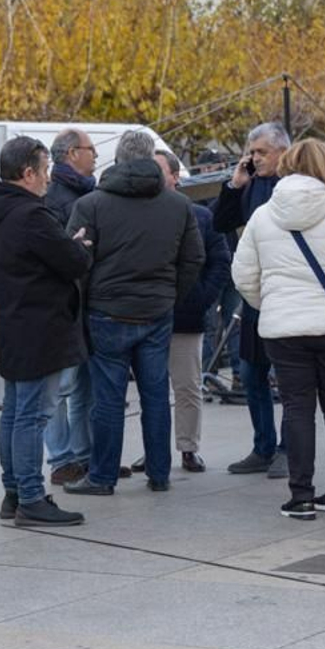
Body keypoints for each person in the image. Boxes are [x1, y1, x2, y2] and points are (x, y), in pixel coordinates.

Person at [232, 140, 325, 520]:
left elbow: (242, 274)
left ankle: (300, 494)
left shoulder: (263, 215)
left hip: (283, 329)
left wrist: (269, 304)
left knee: (296, 409)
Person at [64, 131, 203, 495]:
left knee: (108, 400)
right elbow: (194, 259)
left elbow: (74, 262)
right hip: (157, 313)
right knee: (156, 396)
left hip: (106, 313)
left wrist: (88, 298)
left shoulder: (91, 205)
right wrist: (171, 295)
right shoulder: (178, 205)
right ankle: (160, 474)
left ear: (119, 159)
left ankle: (102, 477)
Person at [0, 136, 92, 527]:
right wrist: (77, 245)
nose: (48, 179)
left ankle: (14, 493)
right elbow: (73, 262)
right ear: (28, 173)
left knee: (15, 413)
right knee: (31, 417)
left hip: (11, 326)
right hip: (39, 329)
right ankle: (30, 496)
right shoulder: (31, 216)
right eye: (45, 171)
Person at [213, 122, 291, 478]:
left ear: (282, 151)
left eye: (261, 152)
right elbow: (221, 223)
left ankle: (290, 449)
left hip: (288, 292)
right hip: (256, 294)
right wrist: (233, 186)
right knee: (251, 371)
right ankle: (263, 446)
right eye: (252, 152)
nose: (254, 158)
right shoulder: (252, 184)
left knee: (290, 377)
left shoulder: (295, 185)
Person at [157, 147, 230, 472]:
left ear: (175, 176)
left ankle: (188, 448)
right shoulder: (137, 214)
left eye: (160, 171)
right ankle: (154, 446)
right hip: (148, 317)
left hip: (186, 319)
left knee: (187, 387)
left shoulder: (200, 216)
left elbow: (219, 262)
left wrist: (201, 298)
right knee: (152, 390)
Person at [42, 128, 97, 486]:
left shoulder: (84, 192)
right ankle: (62, 460)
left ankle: (84, 456)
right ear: (72, 153)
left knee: (82, 387)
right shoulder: (57, 199)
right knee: (61, 388)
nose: (96, 155)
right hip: (64, 306)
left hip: (84, 303)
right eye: (91, 149)